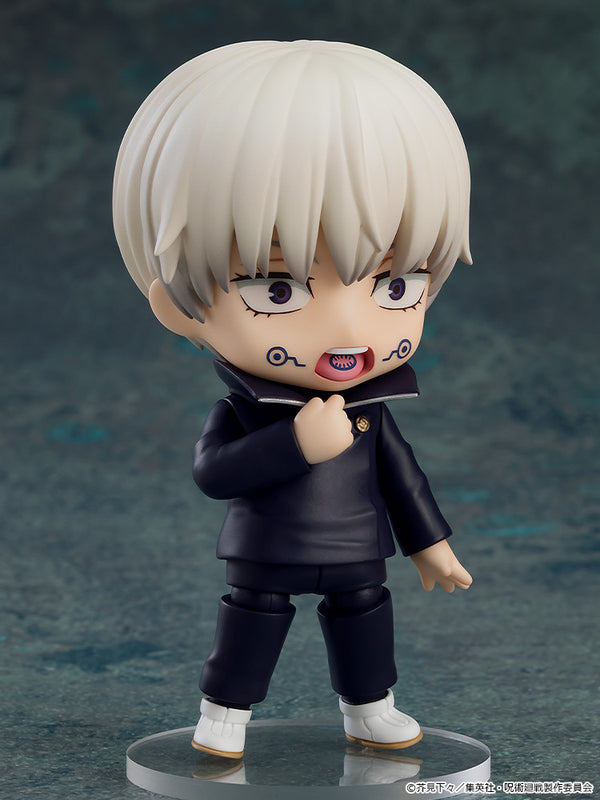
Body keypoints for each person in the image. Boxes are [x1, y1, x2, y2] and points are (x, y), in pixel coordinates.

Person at [113, 40, 473, 760]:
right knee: (253, 617)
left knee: (365, 616)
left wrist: (431, 545)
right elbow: (215, 473)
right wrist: (295, 445)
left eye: (395, 285)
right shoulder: (242, 410)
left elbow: (403, 480)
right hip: (268, 548)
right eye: (278, 289)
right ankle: (224, 713)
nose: (348, 331)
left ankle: (370, 708)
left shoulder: (370, 411)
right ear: (178, 306)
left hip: (358, 549)